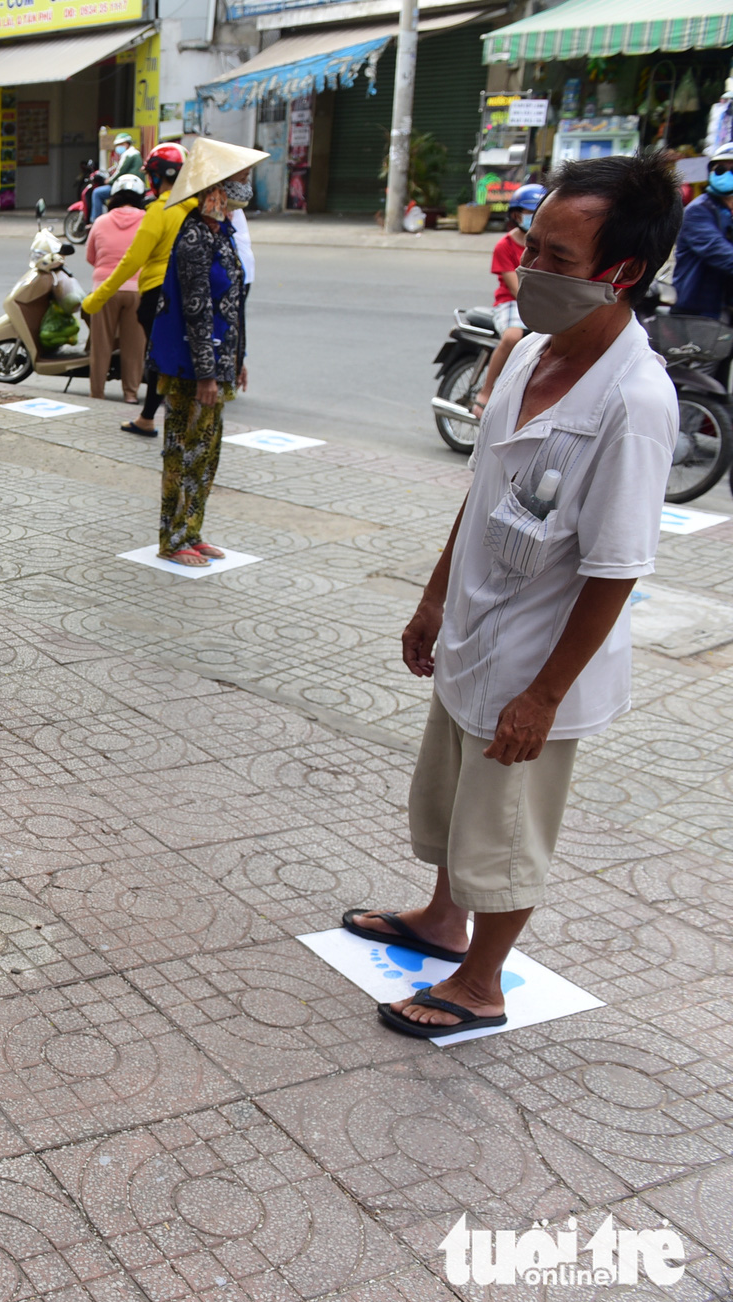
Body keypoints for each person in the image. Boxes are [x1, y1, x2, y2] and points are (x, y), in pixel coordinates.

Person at [349, 152, 681, 1039]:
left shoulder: (635, 403)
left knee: (504, 828)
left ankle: (480, 982)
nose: (530, 269)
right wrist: (433, 598)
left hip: (539, 657)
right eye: (531, 246)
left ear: (622, 272)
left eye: (556, 259)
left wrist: (544, 695)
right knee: (455, 793)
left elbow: (617, 566)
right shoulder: (530, 351)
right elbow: (486, 489)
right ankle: (440, 919)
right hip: (476, 623)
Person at [149, 140, 266, 566]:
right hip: (190, 367)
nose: (245, 187)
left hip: (217, 362)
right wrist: (206, 374)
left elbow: (232, 303)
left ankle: (192, 530)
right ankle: (173, 538)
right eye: (239, 179)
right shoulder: (194, 237)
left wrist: (237, 359)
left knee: (207, 453)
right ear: (216, 187)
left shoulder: (224, 234)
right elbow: (197, 309)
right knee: (183, 451)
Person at [84, 141, 189, 439]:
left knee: (156, 357)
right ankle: (145, 411)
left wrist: (96, 299)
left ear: (157, 176)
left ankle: (141, 415)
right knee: (157, 353)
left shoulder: (159, 212)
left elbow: (132, 260)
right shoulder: (193, 209)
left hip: (155, 294)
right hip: (185, 294)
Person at [474, 183, 547, 411]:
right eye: (529, 213)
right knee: (512, 336)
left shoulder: (548, 246)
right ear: (516, 215)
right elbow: (517, 290)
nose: (533, 218)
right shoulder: (504, 246)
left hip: (542, 301)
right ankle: (486, 391)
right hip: (511, 302)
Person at [85, 172, 148, 403]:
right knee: (135, 345)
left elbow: (91, 257)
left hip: (105, 289)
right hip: (138, 289)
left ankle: (97, 393)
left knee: (101, 344)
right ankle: (130, 394)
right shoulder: (147, 220)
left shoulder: (101, 221)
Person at [671, 143, 733, 317]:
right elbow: (719, 252)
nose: (726, 175)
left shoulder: (726, 210)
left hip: (723, 305)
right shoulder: (698, 210)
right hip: (698, 310)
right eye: (720, 169)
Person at [90, 132, 141, 223]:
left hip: (125, 187)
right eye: (117, 145)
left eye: (120, 144)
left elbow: (120, 172)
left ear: (126, 144)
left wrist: (108, 181)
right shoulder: (135, 153)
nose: (118, 147)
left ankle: (95, 221)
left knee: (97, 193)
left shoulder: (128, 155)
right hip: (133, 185)